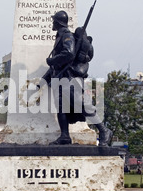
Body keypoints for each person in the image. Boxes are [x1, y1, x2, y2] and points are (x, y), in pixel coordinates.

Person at [42, 10, 113, 146]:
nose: (52, 23)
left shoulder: (66, 36)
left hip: (70, 77)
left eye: (53, 21)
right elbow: (57, 65)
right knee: (61, 108)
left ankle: (104, 130)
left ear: (57, 22)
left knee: (82, 104)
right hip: (61, 77)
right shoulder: (60, 36)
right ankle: (64, 136)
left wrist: (52, 60)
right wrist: (44, 80)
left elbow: (68, 54)